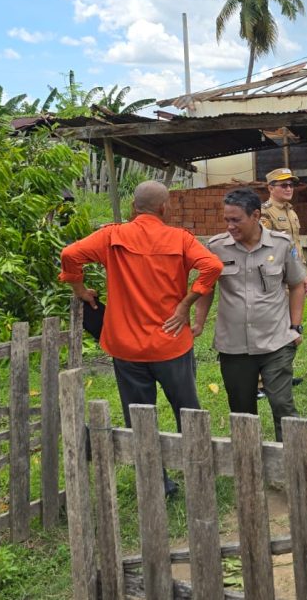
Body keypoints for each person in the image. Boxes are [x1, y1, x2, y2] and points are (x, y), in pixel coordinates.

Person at [59, 180, 222, 497]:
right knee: (187, 408)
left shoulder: (111, 236)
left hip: (126, 346)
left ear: (134, 207)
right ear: (165, 208)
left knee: (139, 415)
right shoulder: (180, 238)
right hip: (171, 342)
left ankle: (155, 483)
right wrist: (186, 303)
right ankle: (199, 474)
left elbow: (69, 254)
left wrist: (79, 290)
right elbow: (212, 266)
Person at [200, 187, 306, 441]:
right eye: (226, 219)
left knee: (283, 406)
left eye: (236, 220)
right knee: (242, 411)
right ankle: (249, 465)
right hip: (234, 346)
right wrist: (198, 322)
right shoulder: (216, 248)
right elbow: (206, 287)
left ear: (256, 215)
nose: (230, 226)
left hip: (276, 341)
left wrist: (295, 326)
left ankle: (292, 464)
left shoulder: (281, 245)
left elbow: (297, 284)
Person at [259, 167, 307, 391]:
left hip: (293, 279)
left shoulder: (291, 211)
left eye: (291, 184)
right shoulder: (265, 214)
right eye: (283, 185)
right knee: (272, 328)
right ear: (270, 188)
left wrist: (302, 275)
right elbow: (265, 250)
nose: (289, 188)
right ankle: (261, 382)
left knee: (291, 328)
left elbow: (295, 248)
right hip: (277, 281)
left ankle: (283, 374)